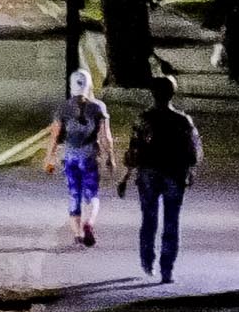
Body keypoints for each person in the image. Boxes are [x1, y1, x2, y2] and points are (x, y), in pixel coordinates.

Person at [118, 74, 200, 283]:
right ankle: (167, 268)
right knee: (172, 220)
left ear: (152, 93)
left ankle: (147, 260)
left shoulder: (144, 118)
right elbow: (193, 151)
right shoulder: (182, 120)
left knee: (149, 218)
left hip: (149, 173)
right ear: (173, 93)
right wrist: (190, 170)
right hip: (174, 173)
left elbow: (133, 150)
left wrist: (126, 176)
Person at [46, 66, 113, 246]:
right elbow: (106, 137)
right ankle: (88, 223)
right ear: (89, 85)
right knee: (92, 196)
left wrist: (49, 159)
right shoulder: (98, 107)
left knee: (74, 195)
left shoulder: (63, 108)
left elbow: (54, 137)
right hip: (89, 157)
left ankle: (77, 235)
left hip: (70, 158)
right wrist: (110, 157)